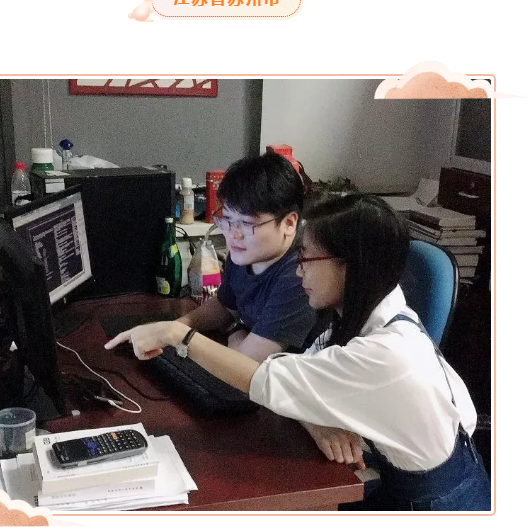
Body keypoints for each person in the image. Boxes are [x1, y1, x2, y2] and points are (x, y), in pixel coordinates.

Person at [105, 194, 491, 511]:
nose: (298, 270)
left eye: (306, 258)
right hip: (402, 477)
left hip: (435, 504)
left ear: (351, 266)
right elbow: (300, 374)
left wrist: (180, 335)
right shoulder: (373, 307)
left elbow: (265, 379)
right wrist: (314, 419)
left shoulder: (384, 353)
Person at [175, 152, 317, 362]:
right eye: (228, 220)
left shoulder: (301, 273)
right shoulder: (245, 253)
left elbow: (245, 362)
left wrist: (234, 332)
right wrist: (176, 327)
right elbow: (224, 306)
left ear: (289, 223)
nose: (233, 234)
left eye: (247, 224)